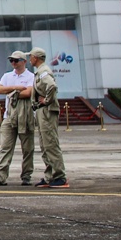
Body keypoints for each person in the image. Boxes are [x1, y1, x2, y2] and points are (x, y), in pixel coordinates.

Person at [0, 51, 35, 186]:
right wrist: (16, 88)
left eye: (16, 60)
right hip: (9, 116)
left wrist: (10, 91)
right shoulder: (7, 75)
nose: (13, 63)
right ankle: (1, 176)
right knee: (5, 147)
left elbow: (28, 92)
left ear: (24, 61)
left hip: (25, 116)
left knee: (28, 148)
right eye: (11, 60)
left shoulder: (31, 76)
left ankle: (26, 176)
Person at [29, 47, 69, 187]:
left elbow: (52, 86)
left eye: (31, 56)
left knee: (50, 143)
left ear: (36, 58)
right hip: (41, 111)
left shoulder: (43, 71)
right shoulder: (40, 71)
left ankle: (60, 176)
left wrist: (47, 100)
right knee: (45, 145)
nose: (30, 59)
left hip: (47, 111)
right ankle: (50, 176)